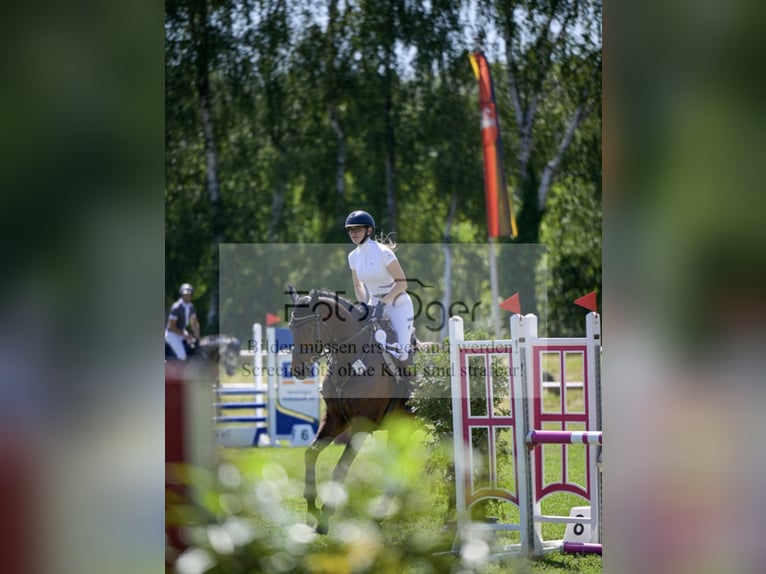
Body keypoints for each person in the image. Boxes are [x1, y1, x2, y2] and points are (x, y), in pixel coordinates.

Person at [345, 210, 415, 361]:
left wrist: (383, 304)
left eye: (357, 229)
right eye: (350, 229)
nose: (353, 233)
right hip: (374, 304)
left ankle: (409, 384)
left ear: (369, 230)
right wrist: (363, 305)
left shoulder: (383, 252)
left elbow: (402, 283)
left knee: (402, 354)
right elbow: (358, 285)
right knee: (362, 345)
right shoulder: (352, 256)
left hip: (397, 304)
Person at [165, 283, 201, 360]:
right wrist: (186, 335)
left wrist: (197, 337)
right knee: (182, 356)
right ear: (181, 294)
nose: (187, 296)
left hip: (181, 331)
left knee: (193, 346)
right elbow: (171, 327)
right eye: (185, 294)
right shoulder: (177, 307)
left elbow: (194, 323)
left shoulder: (191, 307)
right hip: (172, 334)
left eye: (189, 294)